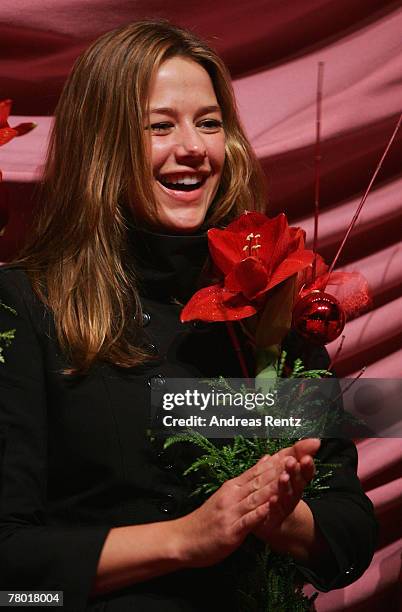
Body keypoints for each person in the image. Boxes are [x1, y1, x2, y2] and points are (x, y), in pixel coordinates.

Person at [0, 20, 377, 612]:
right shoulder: (23, 305)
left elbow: (351, 531)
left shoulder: (269, 302)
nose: (195, 149)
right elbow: (13, 582)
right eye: (159, 126)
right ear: (101, 143)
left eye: (209, 123)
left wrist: (285, 520)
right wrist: (184, 540)